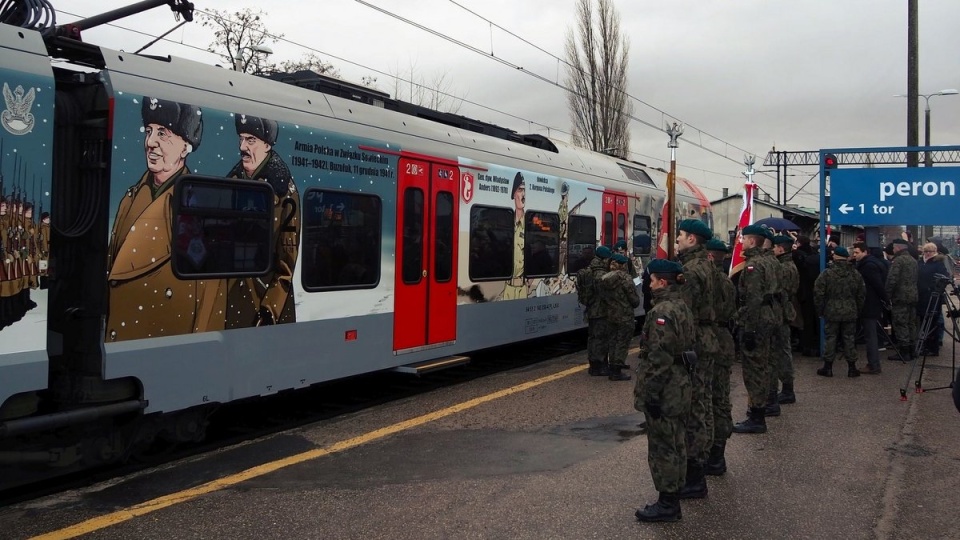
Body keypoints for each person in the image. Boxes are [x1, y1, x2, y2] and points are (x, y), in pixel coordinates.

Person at [106, 97, 226, 342]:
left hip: (167, 340)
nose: (150, 142)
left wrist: (203, 346)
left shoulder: (197, 206)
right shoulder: (131, 197)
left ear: (186, 146)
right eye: (149, 131)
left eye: (163, 133)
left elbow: (210, 290)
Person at [633, 259, 695, 523]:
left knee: (663, 447)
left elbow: (658, 359)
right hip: (681, 385)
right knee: (678, 442)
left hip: (666, 389)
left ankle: (668, 504)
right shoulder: (682, 306)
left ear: (662, 281)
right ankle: (674, 496)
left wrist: (651, 393)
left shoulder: (661, 313)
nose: (649, 283)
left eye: (652, 279)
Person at [225, 114, 300, 327]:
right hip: (230, 302)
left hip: (263, 304)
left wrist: (269, 310)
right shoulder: (232, 181)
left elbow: (287, 263)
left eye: (250, 140)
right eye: (241, 139)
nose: (242, 146)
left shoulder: (285, 192)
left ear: (267, 145)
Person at [674, 219, 720, 499]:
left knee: (693, 408)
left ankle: (694, 477)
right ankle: (701, 469)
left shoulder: (690, 270)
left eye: (679, 236)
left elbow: (685, 313)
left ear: (692, 239)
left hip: (696, 341)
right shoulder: (709, 266)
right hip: (708, 338)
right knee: (703, 402)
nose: (676, 240)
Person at [732, 224, 781, 434]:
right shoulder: (771, 261)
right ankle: (765, 405)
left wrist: (749, 329)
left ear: (752, 241)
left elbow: (752, 299)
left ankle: (756, 416)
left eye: (744, 239)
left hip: (757, 319)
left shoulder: (753, 266)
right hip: (770, 316)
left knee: (753, 368)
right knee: (765, 363)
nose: (742, 242)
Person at [703, 238, 735, 476]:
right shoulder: (727, 282)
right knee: (721, 397)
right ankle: (718, 455)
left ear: (709, 257)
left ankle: (709, 454)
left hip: (710, 337)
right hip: (724, 337)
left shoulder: (709, 281)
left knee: (708, 399)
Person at [814, 247, 866, 377]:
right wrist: (857, 309)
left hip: (831, 310)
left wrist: (820, 310)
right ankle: (852, 368)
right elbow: (861, 294)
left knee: (831, 338)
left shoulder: (827, 273)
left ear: (835, 257)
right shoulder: (855, 273)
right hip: (850, 310)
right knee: (849, 338)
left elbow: (818, 294)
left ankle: (828, 367)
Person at [598, 252, 640, 381]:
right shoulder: (625, 279)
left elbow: (602, 298)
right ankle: (616, 371)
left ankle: (612, 368)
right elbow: (634, 301)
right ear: (623, 265)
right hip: (624, 316)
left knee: (612, 342)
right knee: (622, 342)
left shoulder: (604, 279)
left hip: (610, 315)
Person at [772, 234, 800, 407]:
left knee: (782, 351)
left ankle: (788, 390)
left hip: (781, 312)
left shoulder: (784, 268)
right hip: (783, 310)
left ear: (780, 249)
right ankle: (787, 388)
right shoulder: (787, 265)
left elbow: (780, 291)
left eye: (774, 247)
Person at [852, 242, 888, 374]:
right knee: (870, 334)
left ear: (865, 252)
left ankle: (873, 364)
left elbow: (878, 285)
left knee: (870, 335)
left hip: (869, 304)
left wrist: (885, 299)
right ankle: (873, 364)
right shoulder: (874, 263)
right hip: (872, 303)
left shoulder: (868, 267)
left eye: (857, 252)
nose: (854, 255)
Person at [576, 245, 611, 375]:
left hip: (591, 309)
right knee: (601, 339)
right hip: (601, 310)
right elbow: (606, 295)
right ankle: (600, 366)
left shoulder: (587, 271)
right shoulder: (601, 274)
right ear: (604, 259)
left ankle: (593, 365)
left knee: (593, 338)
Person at [885, 238, 919, 359]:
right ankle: (912, 349)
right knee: (911, 323)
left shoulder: (898, 261)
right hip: (913, 296)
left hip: (900, 297)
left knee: (900, 323)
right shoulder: (913, 260)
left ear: (898, 248)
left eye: (894, 248)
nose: (893, 250)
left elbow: (892, 280)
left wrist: (887, 296)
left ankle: (904, 352)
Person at [916, 242, 946, 356]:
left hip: (932, 297)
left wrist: (934, 289)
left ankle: (933, 347)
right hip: (922, 296)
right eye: (926, 251)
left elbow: (943, 278)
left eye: (930, 251)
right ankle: (925, 345)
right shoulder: (920, 262)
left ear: (935, 252)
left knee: (933, 322)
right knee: (924, 320)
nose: (928, 253)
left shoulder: (938, 263)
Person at [501, 172, 526, 300]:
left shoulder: (529, 226)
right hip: (508, 288)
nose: (523, 195)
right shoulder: (506, 224)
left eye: (524, 191)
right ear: (514, 194)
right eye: (520, 190)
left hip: (522, 289)